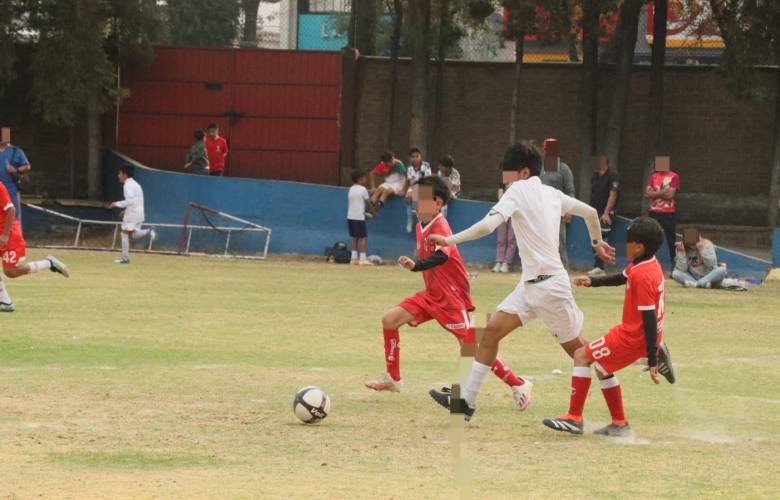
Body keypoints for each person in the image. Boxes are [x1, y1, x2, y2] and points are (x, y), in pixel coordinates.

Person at [427, 140, 616, 420]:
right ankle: (466, 401)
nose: (505, 180)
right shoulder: (552, 193)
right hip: (531, 286)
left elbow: (488, 225)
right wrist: (596, 243)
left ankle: (631, 368)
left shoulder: (517, 190)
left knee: (581, 353)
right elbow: (589, 212)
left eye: (508, 174)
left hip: (549, 287)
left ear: (524, 172)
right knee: (490, 333)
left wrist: (449, 240)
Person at [365, 176, 530, 411]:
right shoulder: (421, 226)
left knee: (473, 346)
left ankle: (518, 384)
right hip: (431, 295)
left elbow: (442, 256)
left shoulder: (440, 225)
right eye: (417, 198)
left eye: (423, 199)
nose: (417, 204)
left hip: (451, 299)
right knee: (389, 320)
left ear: (438, 203)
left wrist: (416, 265)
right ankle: (394, 379)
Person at [543, 216, 674, 437]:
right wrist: (593, 282)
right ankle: (619, 423)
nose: (625, 245)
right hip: (635, 335)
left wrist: (652, 359)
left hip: (632, 338)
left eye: (628, 241)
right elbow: (622, 278)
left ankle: (574, 418)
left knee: (581, 355)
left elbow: (649, 318)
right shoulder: (647, 263)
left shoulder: (642, 275)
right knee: (602, 368)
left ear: (639, 247)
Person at [0, 181, 69, 312]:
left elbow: (11, 209)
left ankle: (49, 263)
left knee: (11, 272)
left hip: (9, 234)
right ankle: (5, 302)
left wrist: (5, 235)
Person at [539, 138, 576, 268]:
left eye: (547, 149)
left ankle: (563, 271)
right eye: (544, 148)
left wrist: (569, 210)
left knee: (559, 244)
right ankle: (543, 273)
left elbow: (570, 190)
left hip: (557, 213)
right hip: (541, 213)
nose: (544, 151)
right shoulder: (540, 168)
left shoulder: (563, 168)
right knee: (542, 244)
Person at [109, 165, 156, 264]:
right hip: (139, 213)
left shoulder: (127, 185)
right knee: (133, 235)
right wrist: (125, 210)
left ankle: (125, 259)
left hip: (133, 213)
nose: (118, 175)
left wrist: (116, 204)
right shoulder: (135, 184)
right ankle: (149, 230)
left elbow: (130, 201)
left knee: (124, 233)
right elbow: (134, 200)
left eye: (119, 173)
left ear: (125, 174)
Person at [587, 154, 620, 277]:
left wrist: (606, 212)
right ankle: (598, 266)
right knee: (594, 237)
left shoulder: (613, 175)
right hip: (594, 212)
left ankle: (600, 267)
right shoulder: (595, 176)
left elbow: (613, 194)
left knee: (601, 236)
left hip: (606, 213)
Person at [645, 156, 680, 265]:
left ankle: (674, 264)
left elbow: (670, 195)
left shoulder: (674, 177)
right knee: (649, 237)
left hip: (668, 212)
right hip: (653, 211)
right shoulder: (653, 177)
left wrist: (655, 194)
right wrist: (661, 193)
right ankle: (647, 261)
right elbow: (647, 194)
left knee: (671, 239)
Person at [347, 170, 375, 265]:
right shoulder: (363, 189)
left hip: (350, 216)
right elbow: (368, 202)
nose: (365, 179)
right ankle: (363, 258)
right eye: (364, 178)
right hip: (359, 217)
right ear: (360, 179)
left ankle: (353, 258)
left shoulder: (351, 189)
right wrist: (374, 213)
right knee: (363, 237)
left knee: (355, 237)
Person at [0, 139, 31, 217]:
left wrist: (16, 169)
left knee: (13, 215)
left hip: (11, 189)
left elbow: (27, 166)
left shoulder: (16, 151)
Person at [404, 147, 431, 233]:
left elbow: (427, 180)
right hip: (414, 188)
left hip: (425, 187)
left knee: (421, 195)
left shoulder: (426, 165)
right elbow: (411, 183)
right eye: (413, 157)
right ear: (410, 158)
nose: (415, 158)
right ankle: (410, 219)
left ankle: (418, 213)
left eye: (417, 156)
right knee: (409, 196)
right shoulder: (409, 169)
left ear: (420, 156)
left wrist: (417, 183)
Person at [492, 179, 517, 273]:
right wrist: (503, 205)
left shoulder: (522, 179)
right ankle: (499, 262)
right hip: (503, 210)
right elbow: (500, 191)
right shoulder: (507, 176)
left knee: (511, 238)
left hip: (515, 211)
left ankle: (506, 263)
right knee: (501, 238)